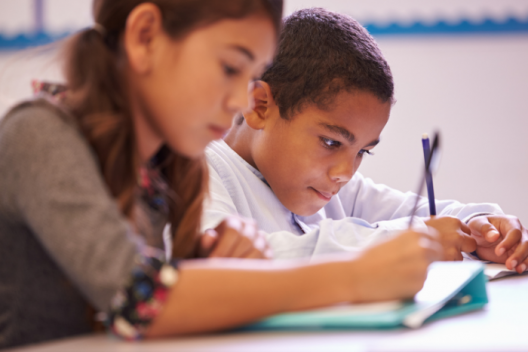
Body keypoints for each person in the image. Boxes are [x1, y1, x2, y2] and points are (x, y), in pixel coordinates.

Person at [0, 1, 442, 348]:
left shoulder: (167, 160)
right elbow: (143, 302)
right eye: (231, 68)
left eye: (251, 76)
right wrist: (353, 276)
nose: (240, 101)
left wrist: (213, 265)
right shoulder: (39, 134)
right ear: (145, 36)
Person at [201, 8, 528, 270]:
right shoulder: (201, 173)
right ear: (260, 106)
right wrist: (412, 236)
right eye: (331, 142)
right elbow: (246, 262)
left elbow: (413, 211)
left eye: (363, 152)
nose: (346, 172)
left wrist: (480, 226)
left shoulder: (335, 192)